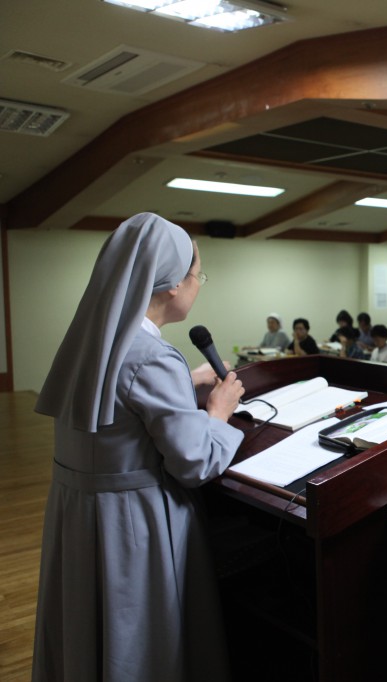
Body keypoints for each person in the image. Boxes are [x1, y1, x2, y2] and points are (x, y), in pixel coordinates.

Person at [33, 213, 246, 681]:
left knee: (89, 631)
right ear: (171, 286)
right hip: (131, 523)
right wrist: (219, 411)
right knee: (139, 643)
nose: (198, 284)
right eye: (198, 274)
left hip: (79, 513)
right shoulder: (153, 356)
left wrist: (185, 381)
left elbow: (113, 395)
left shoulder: (94, 336)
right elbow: (195, 461)